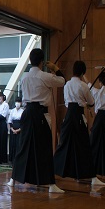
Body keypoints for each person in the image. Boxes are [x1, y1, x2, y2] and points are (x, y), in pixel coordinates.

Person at [7, 48, 65, 192]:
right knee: (44, 148)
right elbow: (63, 81)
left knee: (24, 146)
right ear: (41, 62)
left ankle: (13, 180)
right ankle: (51, 185)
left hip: (27, 113)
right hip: (40, 114)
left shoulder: (24, 77)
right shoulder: (44, 76)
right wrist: (55, 69)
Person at [53, 60, 105, 186]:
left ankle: (54, 170)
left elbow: (66, 102)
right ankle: (92, 177)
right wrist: (85, 103)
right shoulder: (83, 85)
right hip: (78, 117)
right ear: (83, 72)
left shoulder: (67, 85)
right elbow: (92, 102)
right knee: (84, 145)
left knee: (64, 144)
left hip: (69, 115)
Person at [8, 97, 24, 164]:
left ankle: (18, 160)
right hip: (13, 129)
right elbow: (9, 121)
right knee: (12, 144)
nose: (17, 103)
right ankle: (12, 160)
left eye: (19, 102)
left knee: (18, 145)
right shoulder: (12, 111)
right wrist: (12, 129)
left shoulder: (22, 111)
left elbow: (23, 123)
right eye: (16, 102)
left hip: (19, 131)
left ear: (21, 103)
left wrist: (18, 130)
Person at [0, 92, 9, 164]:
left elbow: (3, 115)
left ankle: (3, 159)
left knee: (2, 140)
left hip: (2, 123)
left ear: (2, 97)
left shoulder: (5, 105)